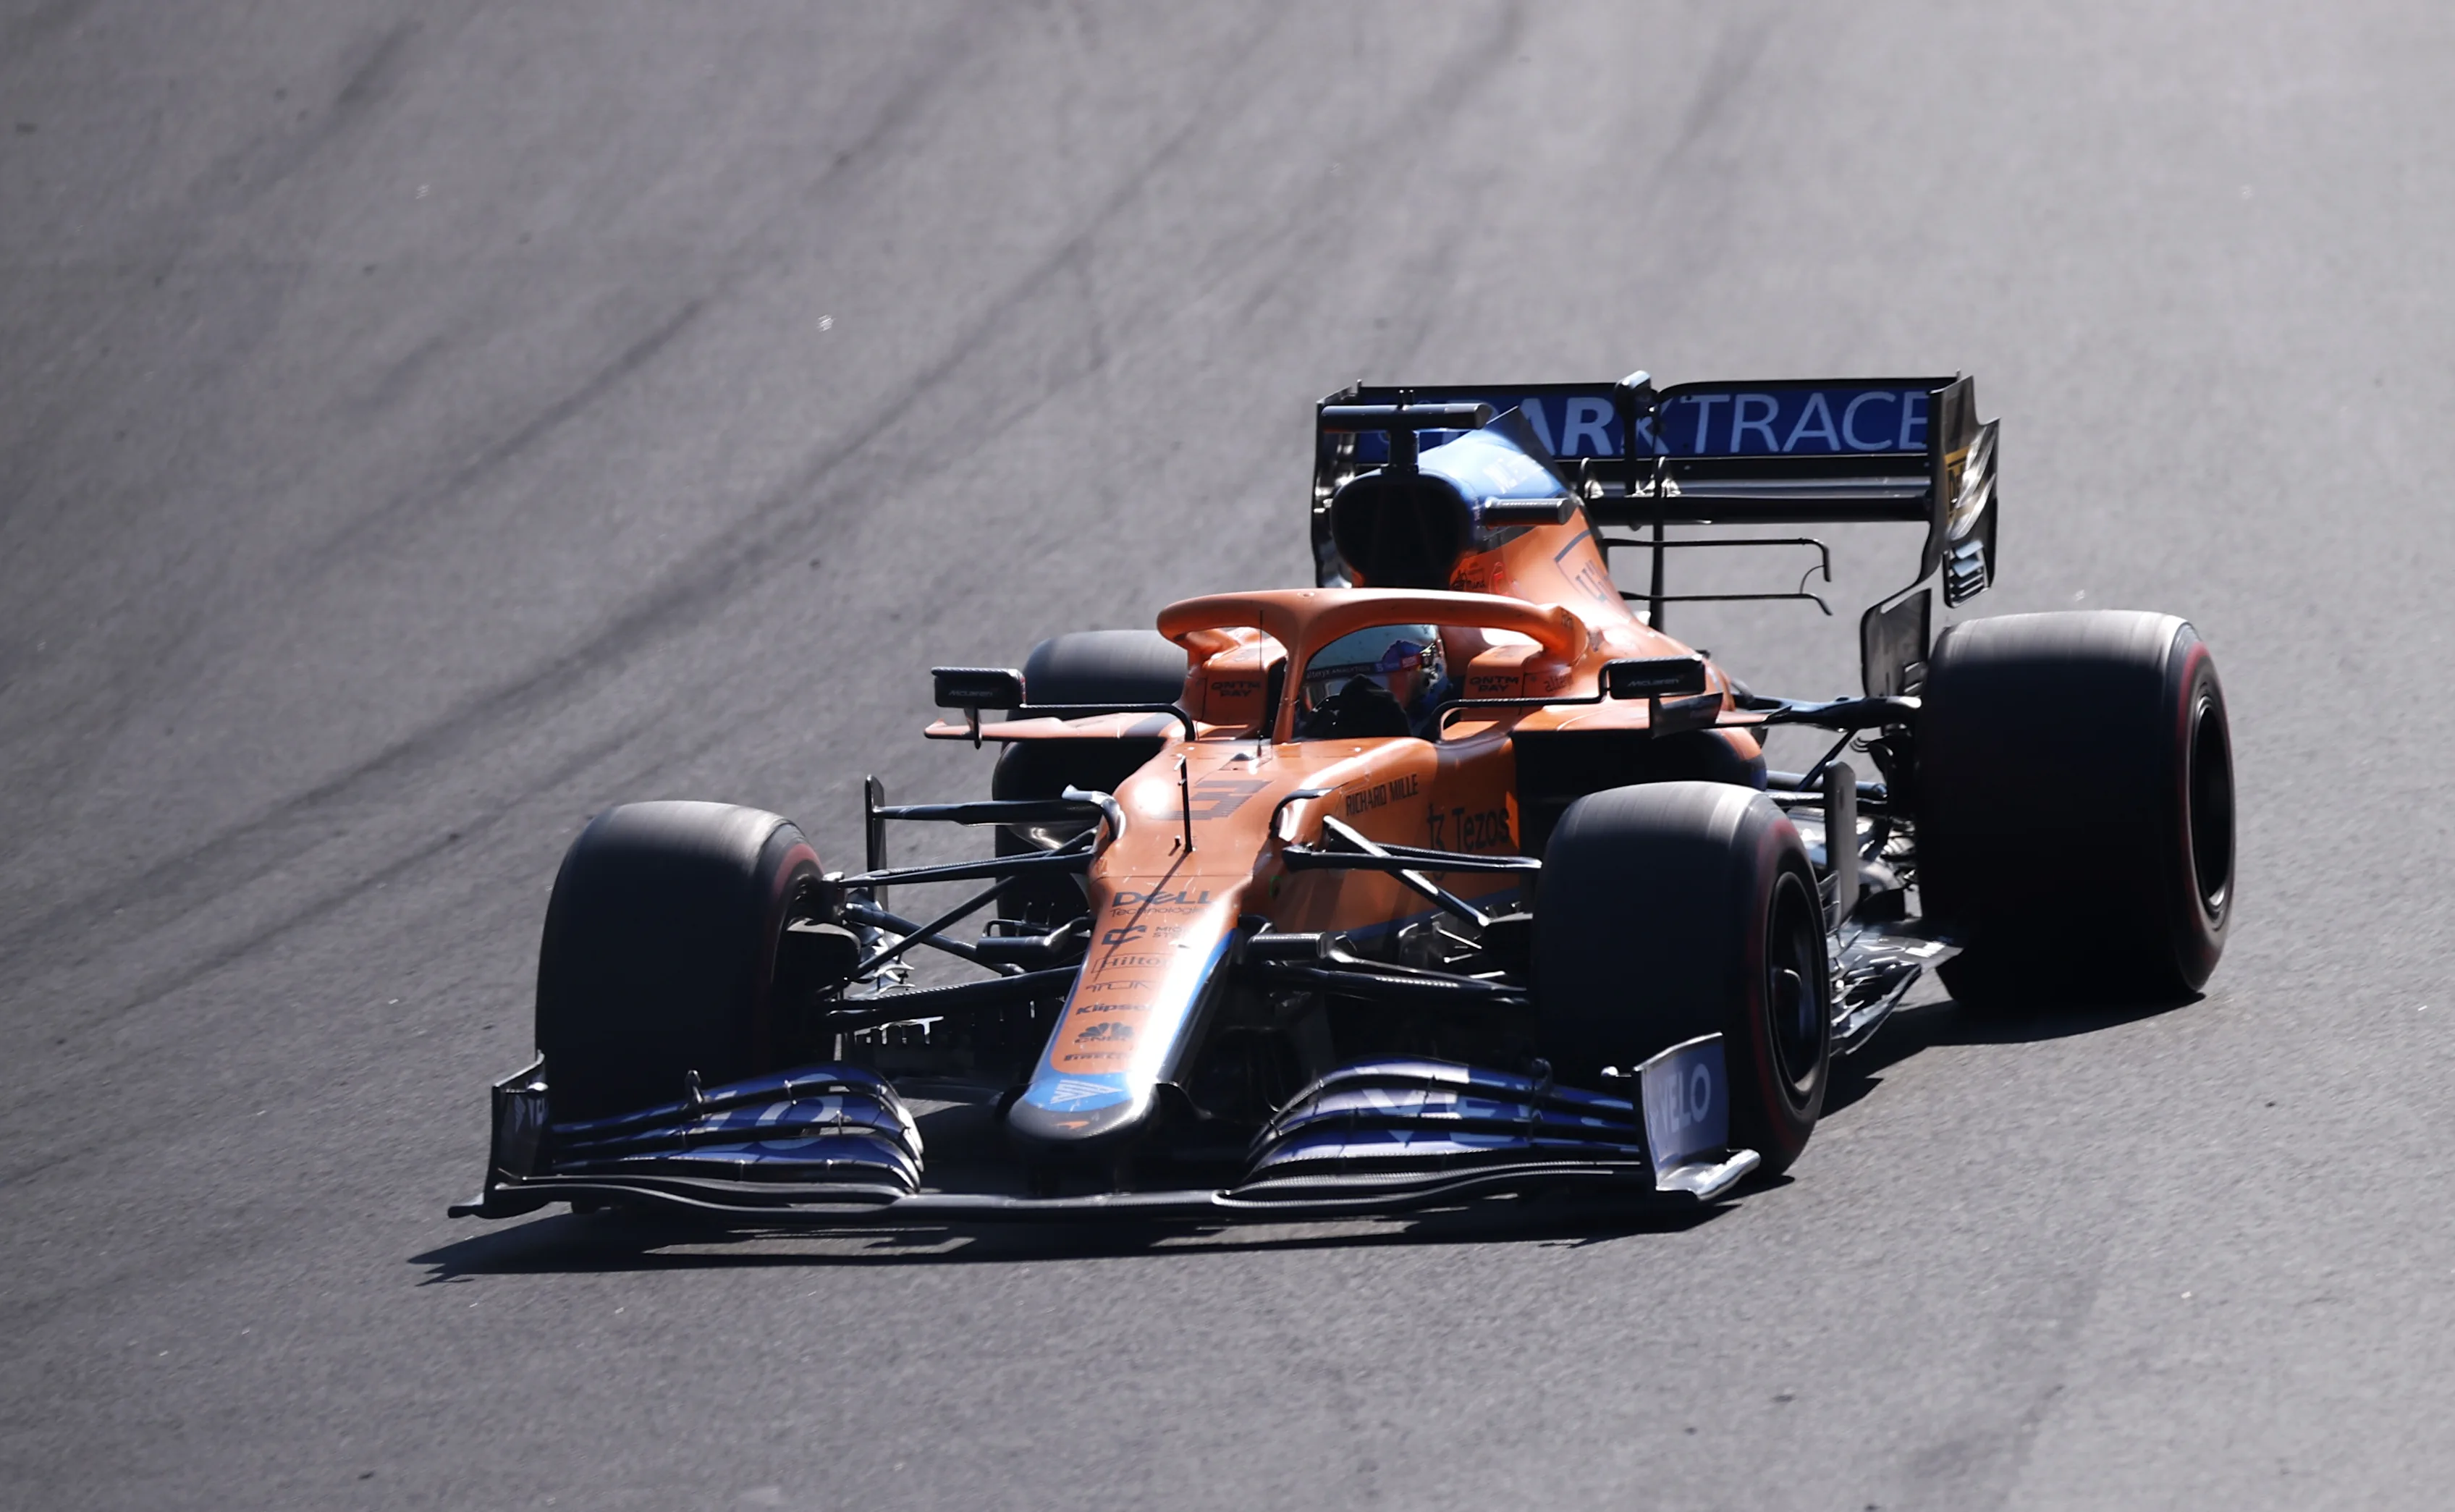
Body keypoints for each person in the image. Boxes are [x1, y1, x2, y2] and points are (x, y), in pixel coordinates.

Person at [1294, 624, 1450, 740]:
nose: (1354, 705)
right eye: (1329, 692)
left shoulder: (1456, 723)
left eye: (1376, 686)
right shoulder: (1306, 733)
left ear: (1423, 676)